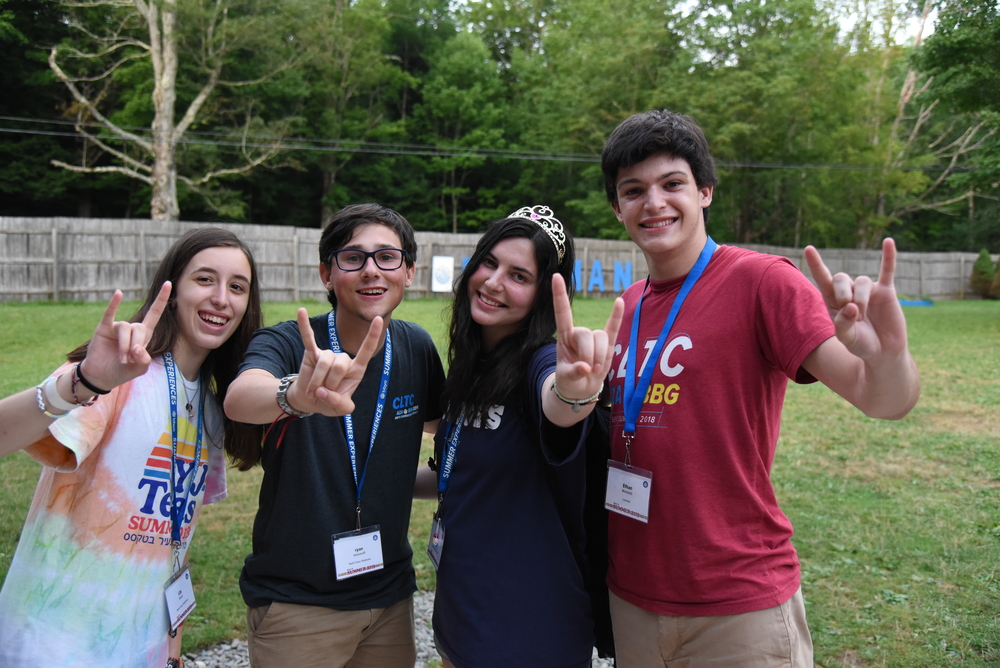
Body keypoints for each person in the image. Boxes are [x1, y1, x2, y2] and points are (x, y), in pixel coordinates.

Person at [598, 109, 921, 667]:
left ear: (705, 192)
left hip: (737, 602)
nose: (653, 203)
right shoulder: (625, 308)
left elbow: (882, 398)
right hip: (633, 597)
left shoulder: (762, 281)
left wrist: (888, 357)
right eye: (634, 190)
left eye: (672, 184)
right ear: (618, 207)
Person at [0, 227, 264, 668]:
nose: (222, 298)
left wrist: (171, 646)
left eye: (237, 287)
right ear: (173, 289)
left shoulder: (214, 412)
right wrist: (83, 382)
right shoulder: (116, 375)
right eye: (204, 279)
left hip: (140, 649)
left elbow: (176, 539)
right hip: (53, 643)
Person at [224, 203, 446, 668]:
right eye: (353, 258)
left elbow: (442, 436)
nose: (371, 271)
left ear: (408, 271)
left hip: (389, 599)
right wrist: (295, 396)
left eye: (387, 257)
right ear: (327, 273)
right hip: (298, 606)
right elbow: (242, 397)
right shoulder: (289, 344)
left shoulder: (417, 348)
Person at [413, 206, 624, 668]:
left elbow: (558, 404)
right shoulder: (472, 367)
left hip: (529, 628)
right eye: (489, 262)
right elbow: (460, 476)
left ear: (543, 297)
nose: (492, 282)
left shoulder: (539, 363)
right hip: (462, 615)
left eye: (519, 276)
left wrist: (575, 392)